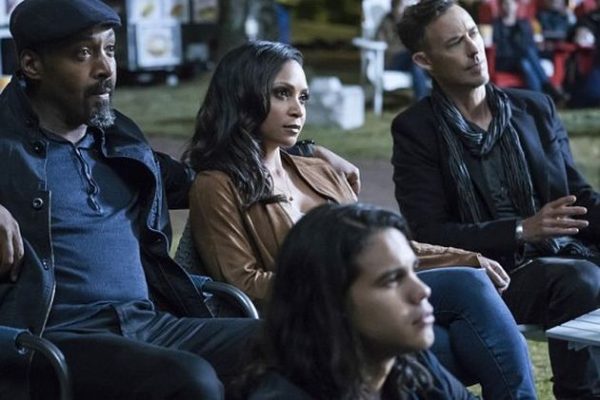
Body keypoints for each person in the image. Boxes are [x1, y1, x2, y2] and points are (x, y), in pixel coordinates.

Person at [180, 40, 537, 399]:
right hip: (310, 320)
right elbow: (243, 282)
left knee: (463, 310)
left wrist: (466, 256)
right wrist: (339, 282)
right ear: (243, 96)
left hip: (369, 305)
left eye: (303, 97)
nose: (297, 110)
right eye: (282, 94)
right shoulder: (216, 184)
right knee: (464, 318)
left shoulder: (319, 169)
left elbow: (382, 249)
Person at [0, 0, 263, 399]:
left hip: (150, 324)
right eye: (83, 53)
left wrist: (301, 154)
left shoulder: (119, 139)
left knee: (295, 342)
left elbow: (202, 179)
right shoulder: (6, 145)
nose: (105, 68)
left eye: (109, 49)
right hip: (58, 340)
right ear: (32, 65)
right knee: (191, 378)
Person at [392, 0, 600, 397]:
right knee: (580, 279)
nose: (474, 49)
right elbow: (430, 232)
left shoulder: (534, 108)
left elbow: (578, 197)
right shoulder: (416, 130)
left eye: (473, 33)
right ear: (424, 60)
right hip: (494, 276)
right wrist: (521, 230)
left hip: (565, 252)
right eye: (455, 42)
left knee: (581, 273)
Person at [239, 203, 477, 399]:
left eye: (413, 270)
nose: (422, 290)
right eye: (392, 280)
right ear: (331, 301)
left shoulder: (410, 365)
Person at [492, 0, 566, 101]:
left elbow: (530, 43)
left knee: (525, 63)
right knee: (527, 53)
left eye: (511, 3)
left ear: (516, 6)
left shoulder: (523, 24)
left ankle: (539, 98)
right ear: (501, 6)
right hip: (505, 61)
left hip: (522, 59)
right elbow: (500, 48)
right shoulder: (496, 25)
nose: (508, 7)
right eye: (505, 4)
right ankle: (547, 86)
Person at [376, 0, 429, 101]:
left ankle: (421, 101)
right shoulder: (386, 22)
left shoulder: (408, 22)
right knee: (415, 56)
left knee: (416, 66)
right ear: (394, 7)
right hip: (392, 60)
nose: (404, 10)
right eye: (401, 6)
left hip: (409, 60)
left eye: (405, 7)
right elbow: (380, 43)